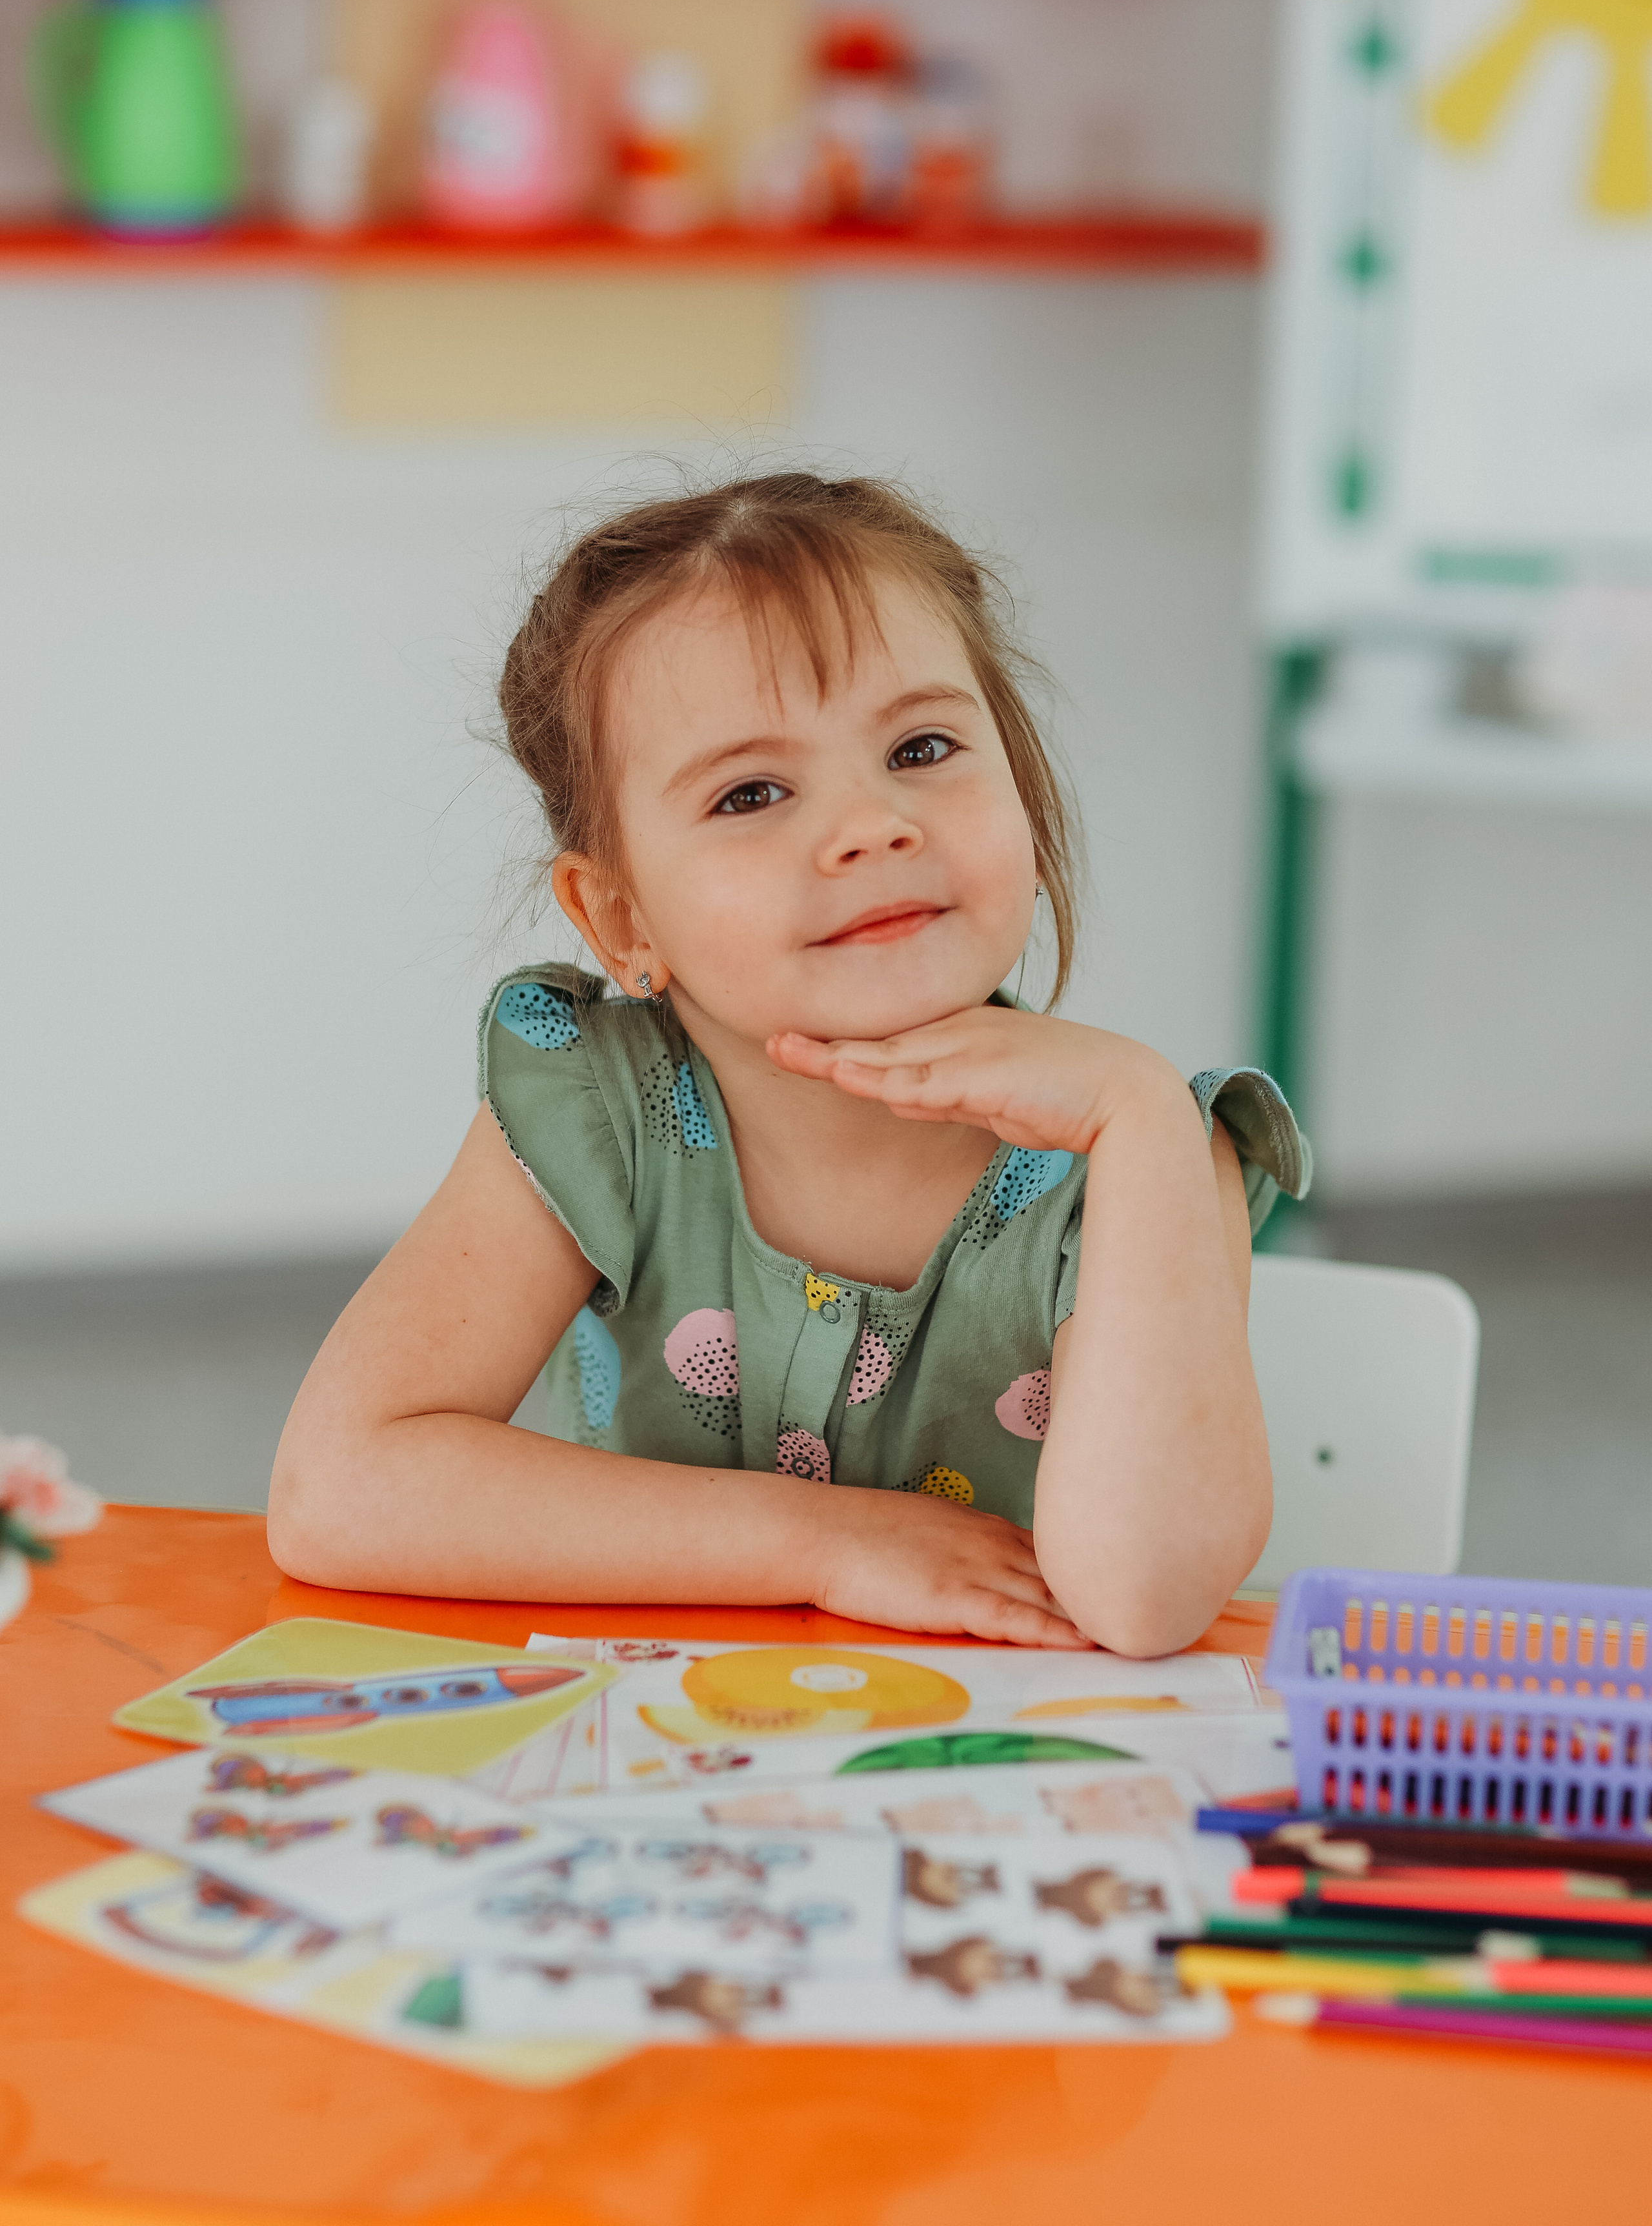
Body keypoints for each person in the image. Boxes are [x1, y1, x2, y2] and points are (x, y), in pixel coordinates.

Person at [270, 473, 1308, 1654]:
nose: (872, 824)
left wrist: (1135, 1115)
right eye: (751, 792)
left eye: (922, 747)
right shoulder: (598, 1108)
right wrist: (824, 1541)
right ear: (620, 923)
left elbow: (1147, 1599)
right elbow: (335, 1491)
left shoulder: (1153, 1152)